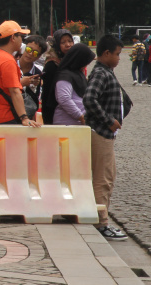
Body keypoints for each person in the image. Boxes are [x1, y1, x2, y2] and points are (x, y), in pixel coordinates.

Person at [83, 35, 130, 240]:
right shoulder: (101, 73)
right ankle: (101, 223)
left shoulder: (106, 72)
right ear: (106, 53)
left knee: (107, 177)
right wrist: (108, 120)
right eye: (118, 54)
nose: (120, 58)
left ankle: (100, 220)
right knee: (103, 179)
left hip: (106, 133)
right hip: (100, 132)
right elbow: (89, 99)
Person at [0, 21, 39, 127]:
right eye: (21, 36)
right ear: (13, 38)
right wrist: (24, 118)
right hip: (7, 118)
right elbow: (14, 91)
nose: (22, 40)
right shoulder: (7, 60)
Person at [54, 43, 95, 125]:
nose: (87, 65)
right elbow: (64, 99)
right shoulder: (65, 75)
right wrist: (81, 117)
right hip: (67, 124)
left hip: (77, 124)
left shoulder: (78, 74)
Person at [40, 28, 75, 125]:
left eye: (70, 41)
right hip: (55, 112)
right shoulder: (52, 65)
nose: (68, 45)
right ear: (56, 45)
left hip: (72, 110)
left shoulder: (73, 61)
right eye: (63, 42)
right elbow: (48, 95)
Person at [19, 35, 47, 112]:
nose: (30, 54)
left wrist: (33, 88)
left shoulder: (37, 73)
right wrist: (21, 83)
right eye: (28, 49)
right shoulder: (10, 65)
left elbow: (35, 102)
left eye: (35, 53)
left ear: (39, 56)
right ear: (23, 47)